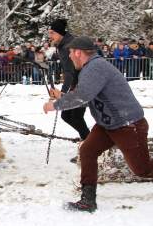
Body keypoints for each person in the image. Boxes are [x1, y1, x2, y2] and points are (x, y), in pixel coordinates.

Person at [43, 36, 153, 212]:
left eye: (70, 52)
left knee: (143, 170)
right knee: (87, 151)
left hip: (127, 125)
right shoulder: (91, 68)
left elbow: (82, 96)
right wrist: (62, 98)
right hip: (108, 125)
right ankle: (88, 200)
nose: (69, 56)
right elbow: (87, 97)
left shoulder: (96, 67)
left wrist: (55, 105)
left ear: (78, 52)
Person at [48, 19, 90, 162]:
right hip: (77, 83)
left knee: (76, 117)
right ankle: (89, 144)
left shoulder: (67, 46)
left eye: (52, 33)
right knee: (67, 116)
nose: (50, 36)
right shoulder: (64, 44)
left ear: (60, 33)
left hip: (81, 85)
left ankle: (91, 148)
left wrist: (63, 93)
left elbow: (70, 72)